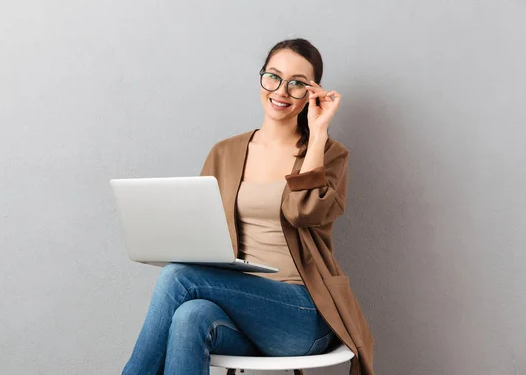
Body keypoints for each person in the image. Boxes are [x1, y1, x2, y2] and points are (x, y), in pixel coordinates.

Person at [122, 38, 375, 375]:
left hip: (302, 312)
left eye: (297, 83)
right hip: (241, 314)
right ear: (262, 78)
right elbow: (200, 237)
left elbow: (306, 213)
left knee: (178, 277)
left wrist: (317, 134)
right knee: (189, 315)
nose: (282, 90)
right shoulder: (224, 153)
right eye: (273, 76)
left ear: (311, 93)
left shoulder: (330, 154)